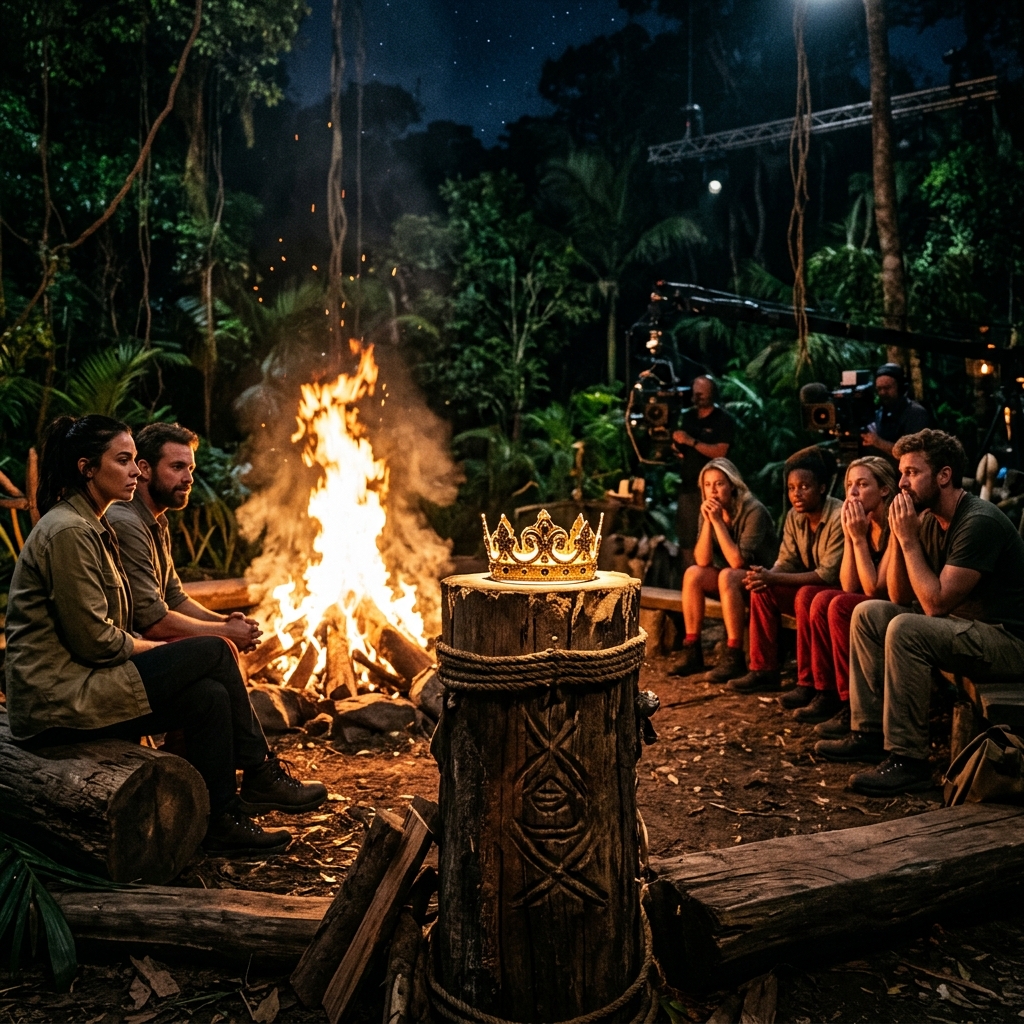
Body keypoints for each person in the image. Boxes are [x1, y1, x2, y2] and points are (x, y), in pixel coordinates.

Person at [3, 415, 326, 857]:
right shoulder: (70, 532)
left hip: (86, 686)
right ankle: (260, 772)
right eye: (124, 460)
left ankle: (223, 820)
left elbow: (149, 609)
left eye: (136, 460)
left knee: (209, 695)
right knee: (213, 651)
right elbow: (96, 641)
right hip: (58, 704)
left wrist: (182, 652)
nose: (136, 470)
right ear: (87, 468)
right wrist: (168, 650)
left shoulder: (93, 526)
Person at [815, 429, 1024, 797]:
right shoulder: (928, 519)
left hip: (1007, 640)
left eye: (911, 473)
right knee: (869, 613)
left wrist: (908, 540)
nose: (901, 483)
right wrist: (900, 535)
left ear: (943, 476)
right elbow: (897, 594)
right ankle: (866, 731)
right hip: (965, 628)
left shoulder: (978, 521)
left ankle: (908, 761)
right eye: (901, 474)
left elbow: (935, 603)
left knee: (906, 628)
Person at [106, 422, 261, 650]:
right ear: (144, 469)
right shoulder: (125, 522)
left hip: (142, 645)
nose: (189, 479)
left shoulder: (156, 520)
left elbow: (174, 597)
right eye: (178, 467)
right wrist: (225, 633)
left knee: (217, 661)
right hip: (122, 653)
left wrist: (225, 622)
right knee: (217, 651)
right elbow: (153, 622)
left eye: (190, 469)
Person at [781, 457, 897, 729]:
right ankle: (825, 690)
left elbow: (873, 589)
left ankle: (850, 703)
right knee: (814, 596)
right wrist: (851, 535)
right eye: (849, 485)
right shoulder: (862, 522)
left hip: (898, 605)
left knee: (836, 604)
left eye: (862, 484)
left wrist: (856, 538)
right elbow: (848, 583)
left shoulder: (895, 522)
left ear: (884, 489)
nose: (853, 492)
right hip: (872, 600)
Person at [726, 448, 845, 694]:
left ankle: (807, 680)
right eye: (791, 488)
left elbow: (827, 575)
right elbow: (787, 560)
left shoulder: (837, 515)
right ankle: (764, 670)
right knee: (761, 589)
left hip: (835, 590)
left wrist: (774, 576)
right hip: (809, 586)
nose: (796, 494)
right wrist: (766, 574)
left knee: (804, 596)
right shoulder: (794, 516)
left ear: (822, 488)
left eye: (804, 487)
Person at [670, 458, 777, 677]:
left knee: (727, 575)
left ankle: (733, 655)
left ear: (732, 485)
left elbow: (739, 562)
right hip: (731, 580)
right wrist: (709, 522)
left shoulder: (753, 510)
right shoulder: (709, 511)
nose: (713, 491)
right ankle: (692, 651)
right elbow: (702, 561)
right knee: (693, 574)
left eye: (719, 484)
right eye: (708, 485)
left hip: (763, 579)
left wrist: (718, 522)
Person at [672, 376, 736, 565]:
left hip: (712, 490)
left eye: (702, 392)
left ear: (711, 393)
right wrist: (677, 444)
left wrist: (691, 441)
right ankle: (688, 577)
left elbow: (720, 452)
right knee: (687, 537)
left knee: (714, 534)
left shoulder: (723, 419)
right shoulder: (689, 416)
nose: (697, 396)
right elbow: (682, 450)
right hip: (688, 486)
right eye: (695, 392)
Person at [860, 362, 929, 459]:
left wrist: (879, 442)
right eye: (879, 389)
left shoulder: (916, 413)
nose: (883, 392)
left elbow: (914, 454)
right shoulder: (880, 413)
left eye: (887, 388)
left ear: (900, 387)